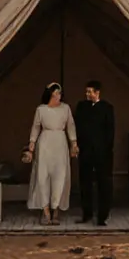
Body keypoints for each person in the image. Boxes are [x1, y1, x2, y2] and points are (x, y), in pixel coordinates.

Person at [26, 82, 78, 225]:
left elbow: (71, 126)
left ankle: (56, 209)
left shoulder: (65, 108)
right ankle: (45, 211)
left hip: (60, 143)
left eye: (59, 94)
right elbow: (35, 127)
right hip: (45, 143)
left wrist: (74, 143)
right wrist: (31, 146)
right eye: (55, 94)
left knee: (60, 176)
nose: (58, 97)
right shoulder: (41, 110)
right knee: (42, 177)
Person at [74, 79, 115, 226]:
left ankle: (102, 216)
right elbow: (77, 126)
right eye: (86, 91)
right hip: (85, 151)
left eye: (89, 92)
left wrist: (106, 150)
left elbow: (110, 131)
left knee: (103, 184)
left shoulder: (107, 108)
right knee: (85, 183)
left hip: (102, 153)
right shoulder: (82, 107)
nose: (87, 94)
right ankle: (87, 213)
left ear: (97, 92)